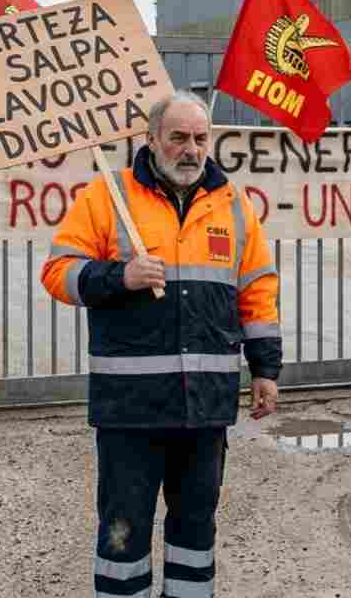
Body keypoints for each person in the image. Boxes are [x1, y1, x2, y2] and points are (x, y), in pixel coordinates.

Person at [40, 90, 282, 596]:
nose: (191, 149)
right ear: (150, 140)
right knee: (123, 531)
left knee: (196, 529)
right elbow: (57, 274)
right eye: (178, 138)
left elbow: (257, 290)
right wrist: (119, 276)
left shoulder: (233, 203)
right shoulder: (108, 196)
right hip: (132, 407)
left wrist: (265, 370)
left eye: (200, 138)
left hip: (205, 406)